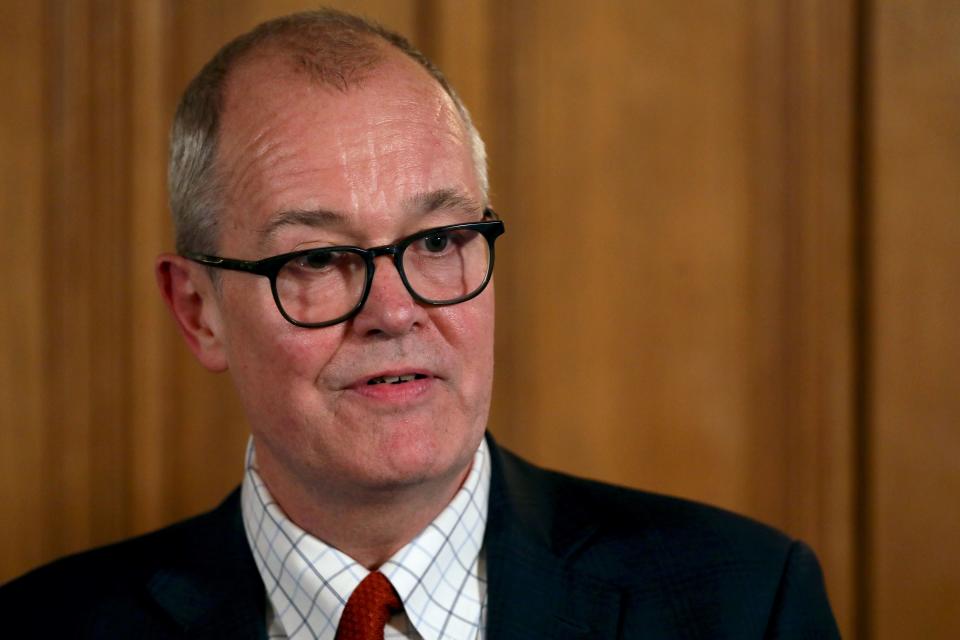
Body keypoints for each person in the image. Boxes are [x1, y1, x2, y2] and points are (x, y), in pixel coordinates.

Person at [0, 9, 839, 639]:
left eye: (438, 240)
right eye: (319, 259)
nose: (395, 311)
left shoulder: (745, 602)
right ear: (198, 312)